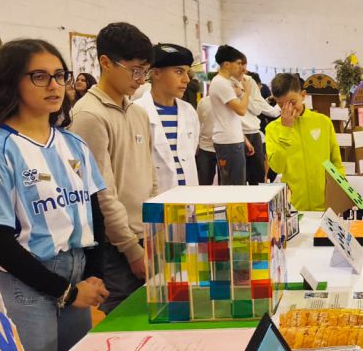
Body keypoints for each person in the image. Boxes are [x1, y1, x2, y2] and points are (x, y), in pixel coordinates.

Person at [0, 39, 109, 351]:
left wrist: (93, 276)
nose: (55, 85)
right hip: (27, 286)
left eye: (60, 75)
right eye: (40, 76)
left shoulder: (73, 143)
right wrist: (66, 292)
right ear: (11, 82)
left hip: (76, 279)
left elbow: (94, 215)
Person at [70, 22, 156, 314]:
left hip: (146, 236)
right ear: (105, 63)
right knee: (125, 322)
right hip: (115, 246)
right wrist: (131, 249)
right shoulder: (89, 116)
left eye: (145, 71)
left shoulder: (138, 112)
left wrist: (154, 228)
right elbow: (101, 192)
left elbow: (150, 176)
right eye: (135, 71)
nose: (141, 80)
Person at [264, 73, 344, 211]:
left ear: (303, 95)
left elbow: (336, 163)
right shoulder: (272, 129)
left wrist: (340, 194)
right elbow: (277, 167)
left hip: (326, 206)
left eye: (292, 102)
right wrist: (286, 130)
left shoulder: (323, 122)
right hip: (294, 209)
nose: (288, 109)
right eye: (282, 105)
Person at [133, 44, 199, 192]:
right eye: (179, 71)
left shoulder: (189, 112)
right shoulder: (136, 112)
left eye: (187, 72)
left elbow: (191, 150)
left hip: (189, 197)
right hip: (156, 197)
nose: (186, 79)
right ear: (156, 73)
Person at [208, 45, 251, 185]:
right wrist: (247, 91)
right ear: (227, 64)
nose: (241, 68)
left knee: (238, 183)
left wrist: (243, 138)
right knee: (234, 186)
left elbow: (232, 116)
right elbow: (241, 110)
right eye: (238, 63)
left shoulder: (227, 82)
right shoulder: (220, 83)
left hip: (233, 139)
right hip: (227, 141)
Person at [242, 70, 280, 185]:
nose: (261, 87)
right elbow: (263, 110)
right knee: (255, 172)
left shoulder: (242, 92)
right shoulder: (247, 91)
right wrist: (281, 103)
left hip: (247, 133)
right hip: (251, 134)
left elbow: (259, 105)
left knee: (248, 173)